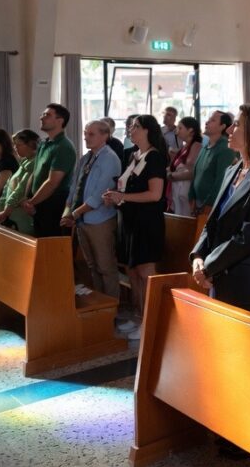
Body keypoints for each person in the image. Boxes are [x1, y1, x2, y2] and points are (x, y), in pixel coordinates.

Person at [191, 104, 250, 317]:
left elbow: (249, 237)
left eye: (236, 124)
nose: (228, 130)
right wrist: (198, 255)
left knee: (248, 350)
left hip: (248, 283)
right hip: (220, 274)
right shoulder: (232, 170)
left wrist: (208, 266)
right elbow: (213, 221)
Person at [103, 115, 168, 339]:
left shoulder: (155, 158)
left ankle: (152, 322)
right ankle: (140, 317)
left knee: (145, 273)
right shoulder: (133, 156)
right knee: (131, 271)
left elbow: (155, 194)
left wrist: (124, 196)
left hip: (147, 222)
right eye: (131, 126)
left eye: (136, 127)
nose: (131, 130)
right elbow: (126, 187)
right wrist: (116, 196)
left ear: (148, 131)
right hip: (129, 221)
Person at [61, 120, 121, 299]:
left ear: (105, 135)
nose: (86, 137)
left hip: (99, 220)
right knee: (92, 265)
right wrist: (68, 209)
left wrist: (74, 213)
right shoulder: (86, 158)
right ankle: (100, 305)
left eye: (91, 134)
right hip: (81, 219)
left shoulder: (110, 158)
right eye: (85, 133)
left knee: (105, 266)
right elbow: (74, 187)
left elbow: (99, 195)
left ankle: (112, 308)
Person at [23, 104, 77, 238]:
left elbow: (52, 182)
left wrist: (32, 202)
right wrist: (28, 198)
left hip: (53, 205)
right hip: (39, 203)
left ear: (60, 121)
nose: (42, 118)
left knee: (51, 247)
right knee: (40, 245)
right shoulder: (44, 143)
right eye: (43, 114)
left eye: (47, 115)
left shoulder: (63, 146)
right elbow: (35, 173)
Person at [189, 110, 236, 215]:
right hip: (197, 202)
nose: (207, 122)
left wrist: (207, 206)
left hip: (210, 206)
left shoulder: (225, 149)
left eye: (212, 120)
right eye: (208, 119)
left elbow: (220, 181)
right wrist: (191, 196)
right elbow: (196, 173)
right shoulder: (206, 146)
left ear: (222, 126)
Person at [0, 130, 40, 234]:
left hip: (21, 217)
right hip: (11, 213)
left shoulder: (34, 163)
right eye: (14, 145)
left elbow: (21, 189)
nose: (15, 148)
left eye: (18, 145)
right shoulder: (25, 161)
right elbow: (8, 187)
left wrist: (5, 211)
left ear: (31, 145)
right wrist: (0, 208)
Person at [165, 116, 201, 215]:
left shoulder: (196, 145)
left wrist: (171, 175)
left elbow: (191, 171)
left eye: (180, 128)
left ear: (190, 131)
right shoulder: (185, 146)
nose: (177, 131)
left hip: (185, 191)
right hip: (179, 190)